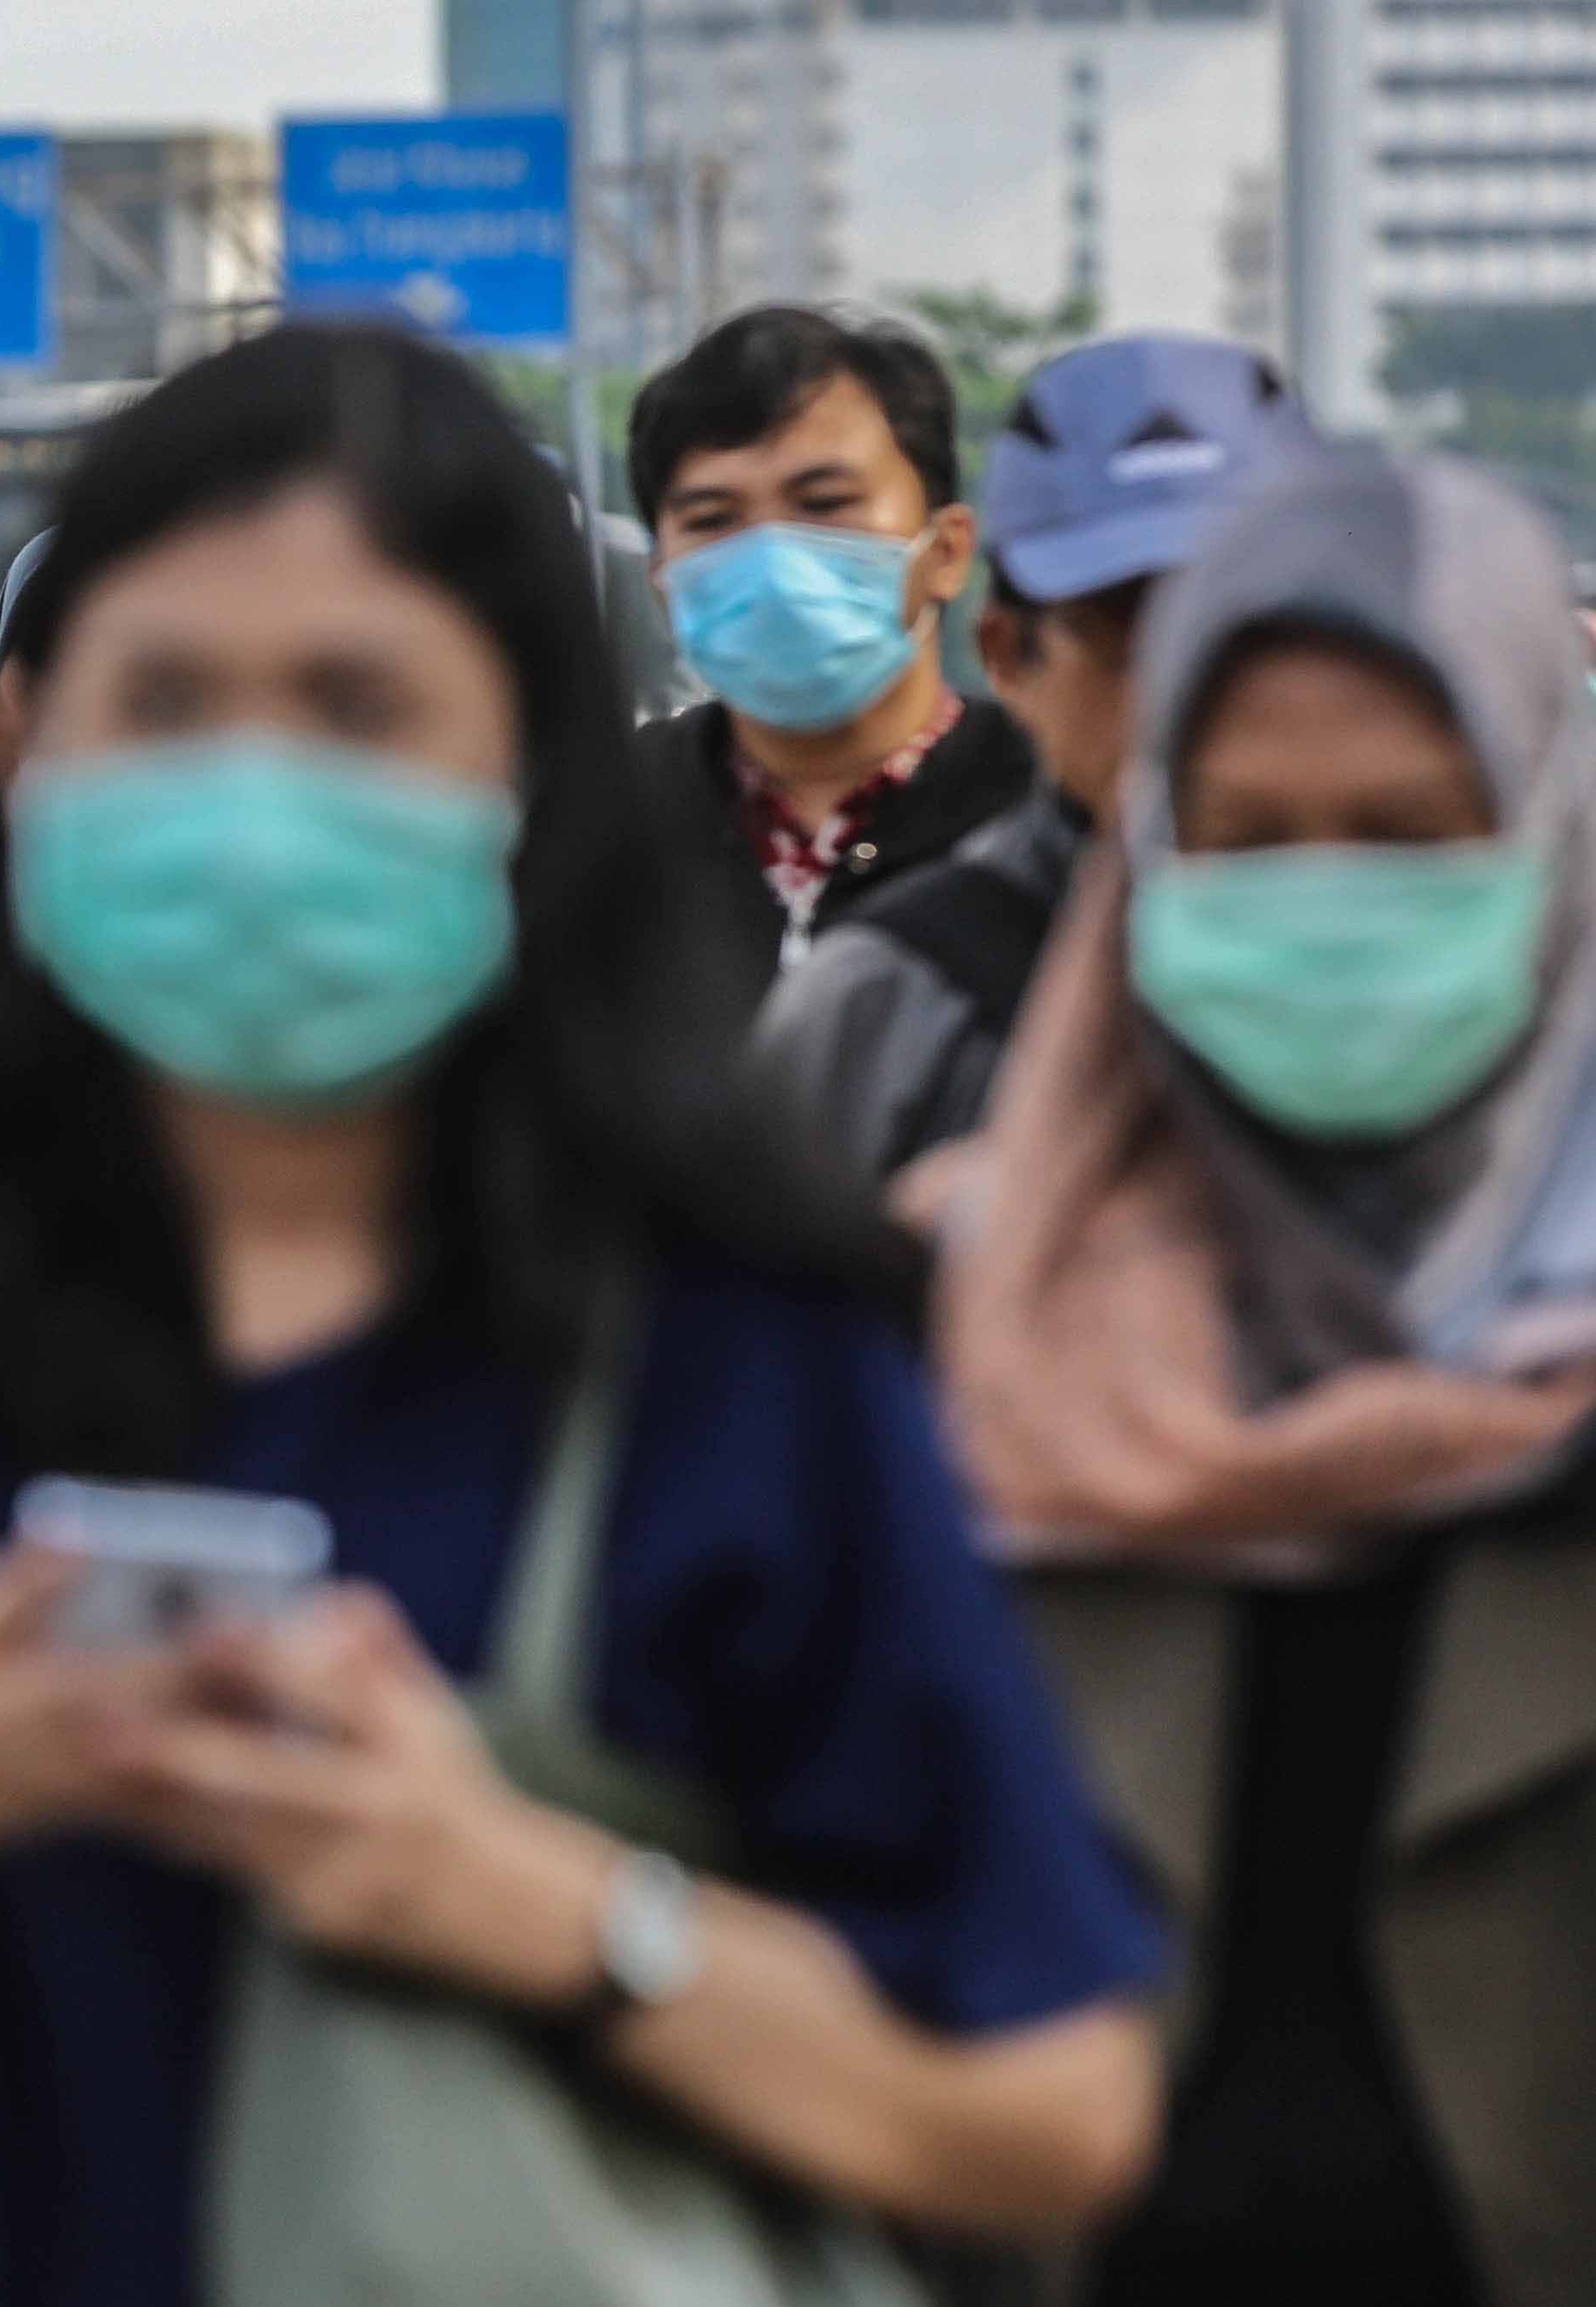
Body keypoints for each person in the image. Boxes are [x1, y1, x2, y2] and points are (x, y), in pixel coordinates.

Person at [0, 324, 1165, 2307]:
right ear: (31, 744)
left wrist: (532, 1900)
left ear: (533, 769)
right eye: (172, 700)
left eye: (358, 707)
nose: (257, 795)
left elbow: (1052, 2101)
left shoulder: (746, 1354)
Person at [936, 445, 1596, 2305]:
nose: (1324, 902)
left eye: (1407, 834)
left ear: (1555, 832)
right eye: (1243, 836)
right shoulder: (978, 1321)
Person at [752, 336, 1312, 1188]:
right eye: (1135, 632)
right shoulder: (887, 1009)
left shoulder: (1485, 954)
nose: (1197, 682)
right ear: (1007, 654)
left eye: (1251, 627)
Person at [631, 305, 1033, 977]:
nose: (772, 562)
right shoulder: (598, 822)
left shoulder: (1050, 814)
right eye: (710, 518)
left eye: (823, 504)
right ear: (661, 580)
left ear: (947, 552)